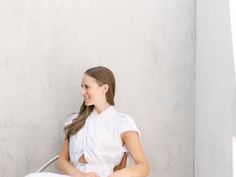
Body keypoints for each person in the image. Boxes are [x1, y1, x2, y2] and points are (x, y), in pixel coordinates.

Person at [25, 66, 149, 177]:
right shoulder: (75, 120)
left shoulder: (123, 124)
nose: (82, 92)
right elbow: (62, 161)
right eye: (82, 87)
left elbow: (143, 167)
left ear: (105, 88)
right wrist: (78, 174)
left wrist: (117, 175)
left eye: (87, 87)